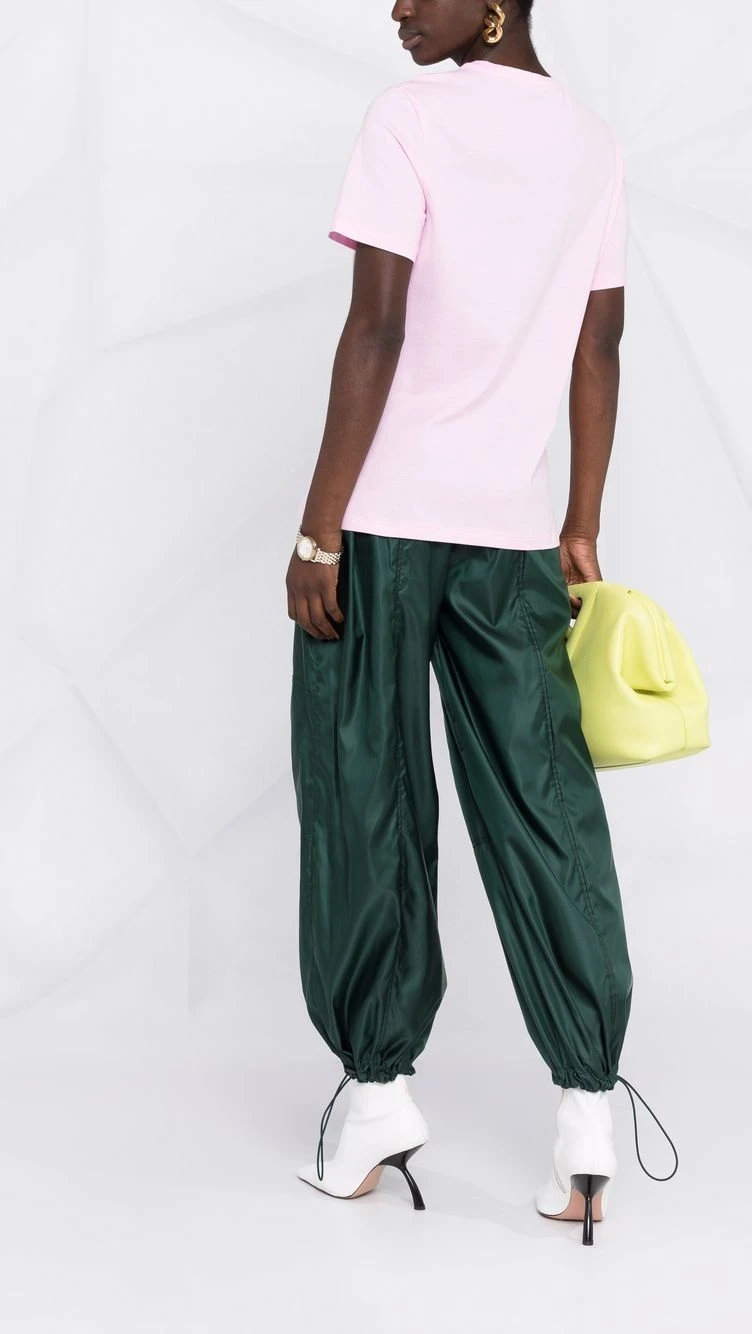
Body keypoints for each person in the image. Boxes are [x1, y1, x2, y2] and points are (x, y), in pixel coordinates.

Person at [286, 0, 677, 1244]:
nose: (395, 8)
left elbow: (377, 324)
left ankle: (375, 1095)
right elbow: (599, 343)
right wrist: (579, 520)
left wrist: (318, 531)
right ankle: (587, 1112)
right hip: (512, 531)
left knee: (366, 789)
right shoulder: (590, 141)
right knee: (544, 799)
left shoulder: (409, 117)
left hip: (385, 524)